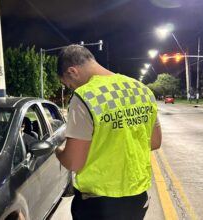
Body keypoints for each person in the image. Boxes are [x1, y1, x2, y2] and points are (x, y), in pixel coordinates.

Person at [55, 45, 162, 220]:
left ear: (72, 71)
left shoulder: (84, 96)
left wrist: (58, 152)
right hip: (137, 198)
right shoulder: (141, 89)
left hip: (98, 204)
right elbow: (155, 142)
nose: (72, 88)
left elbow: (74, 162)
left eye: (68, 84)